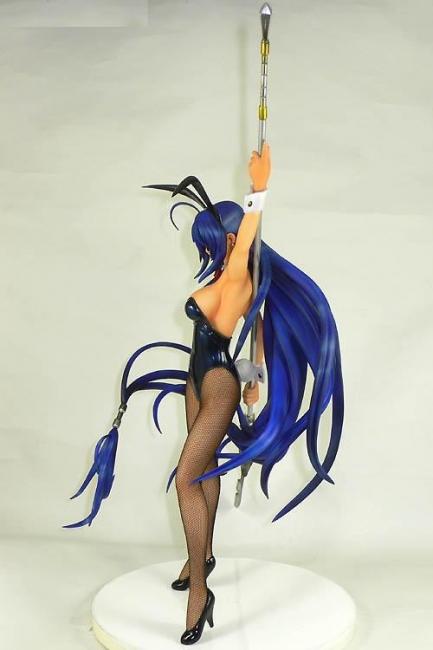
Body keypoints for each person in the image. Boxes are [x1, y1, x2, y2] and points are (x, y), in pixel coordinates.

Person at [65, 143, 344, 645]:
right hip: (196, 377)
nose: (207, 252)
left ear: (231, 240)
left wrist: (259, 188)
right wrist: (255, 374)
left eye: (212, 243)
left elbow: (247, 245)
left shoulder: (236, 274)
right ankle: (205, 555)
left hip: (217, 382)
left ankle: (200, 590)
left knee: (186, 477)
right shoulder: (232, 279)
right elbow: (257, 332)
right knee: (205, 467)